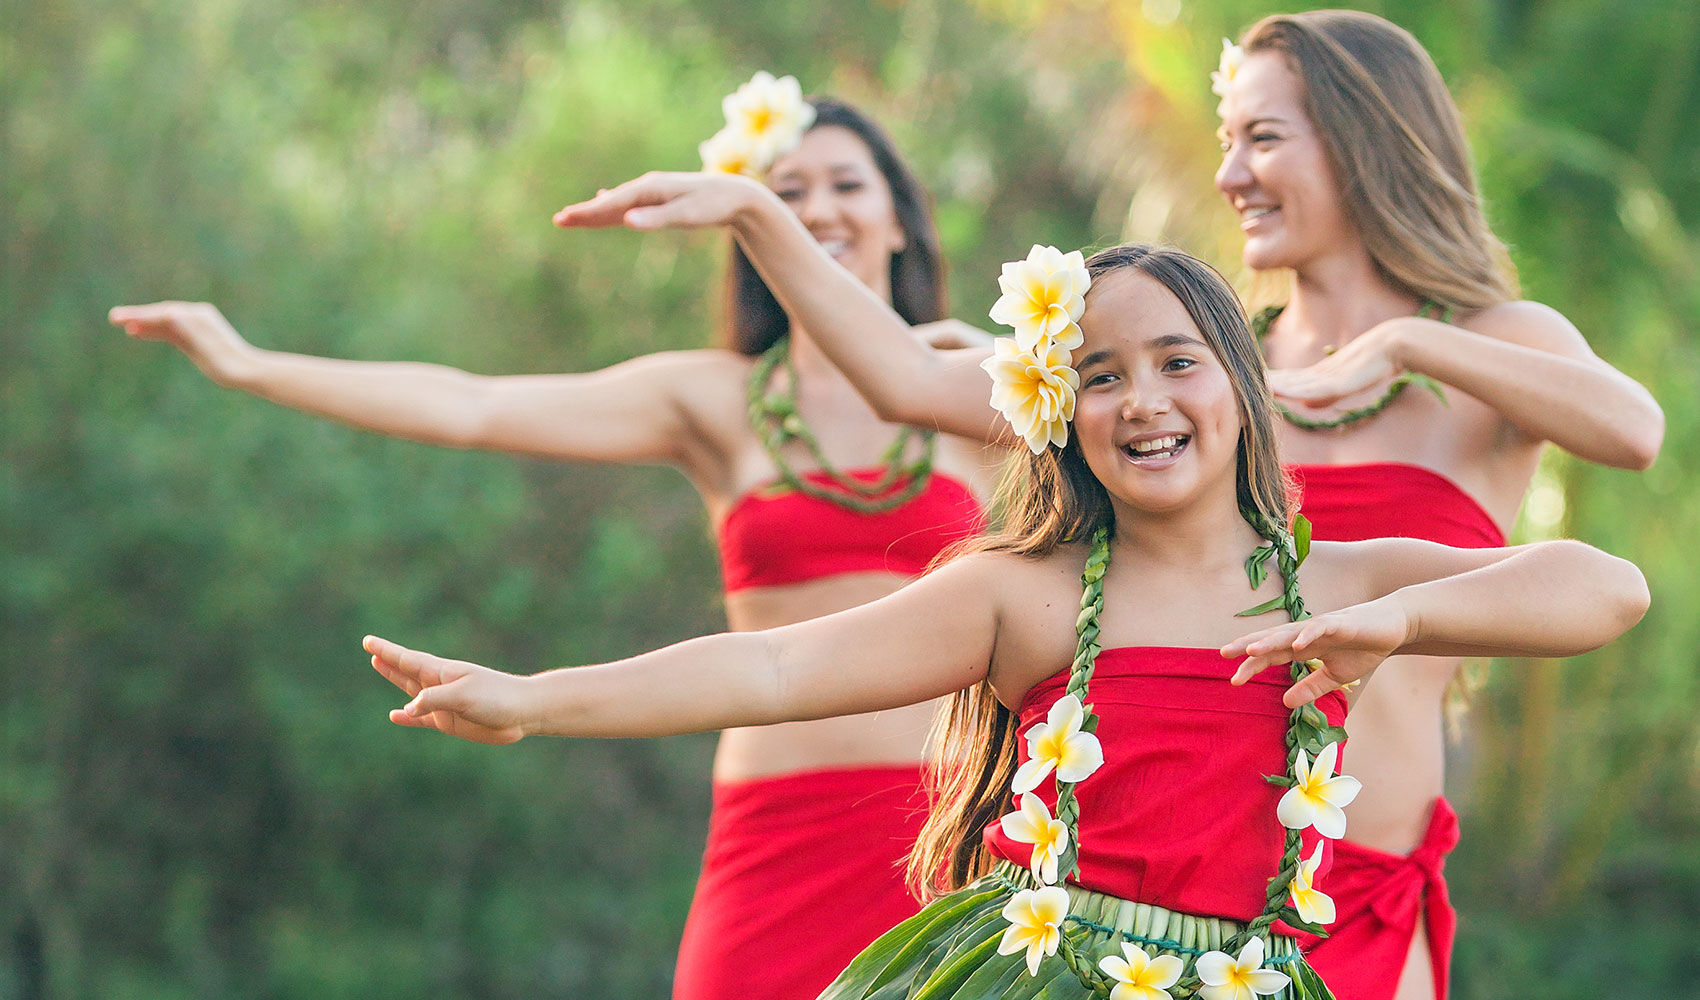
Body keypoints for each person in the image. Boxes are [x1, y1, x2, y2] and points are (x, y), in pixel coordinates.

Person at [363, 241, 1649, 999]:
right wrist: (533, 697)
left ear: (1247, 391)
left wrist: (1403, 623)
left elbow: (1604, 585)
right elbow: (771, 664)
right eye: (1096, 374)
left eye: (1174, 361)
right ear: (1057, 411)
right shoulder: (1022, 594)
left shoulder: (1341, 583)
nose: (1139, 399)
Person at [109, 88, 1005, 1000]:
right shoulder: (713, 401)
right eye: (786, 191)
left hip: (950, 831)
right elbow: (474, 403)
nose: (816, 210)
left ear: (899, 218)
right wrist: (249, 363)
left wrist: (988, 359)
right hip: (775, 836)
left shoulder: (985, 402)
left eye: (844, 184)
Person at [1210, 13, 1664, 998]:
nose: (1228, 176)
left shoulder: (1497, 342)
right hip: (1172, 895)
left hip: (1361, 905)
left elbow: (1633, 430)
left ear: (1361, 136)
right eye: (1225, 141)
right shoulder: (1208, 367)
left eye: (1261, 137)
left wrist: (1413, 346)